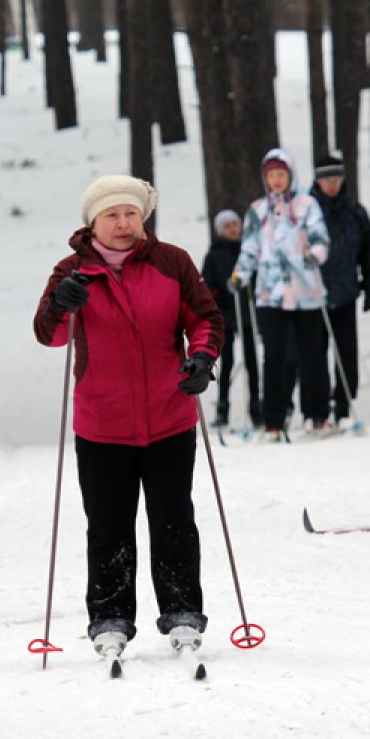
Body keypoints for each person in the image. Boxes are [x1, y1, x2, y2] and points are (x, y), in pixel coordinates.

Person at [33, 174, 223, 661]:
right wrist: (59, 304)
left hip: (169, 416)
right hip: (103, 423)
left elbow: (205, 318)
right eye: (112, 215)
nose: (123, 223)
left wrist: (202, 359)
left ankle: (183, 612)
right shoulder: (73, 271)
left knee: (174, 520)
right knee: (108, 525)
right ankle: (110, 618)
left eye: (131, 213)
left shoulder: (172, 262)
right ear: (92, 223)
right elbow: (49, 335)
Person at [231, 148, 332, 441]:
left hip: (305, 290)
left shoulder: (306, 204)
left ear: (290, 175)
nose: (276, 181)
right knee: (273, 356)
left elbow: (320, 237)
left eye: (281, 174)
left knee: (311, 354)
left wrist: (315, 254)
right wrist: (241, 273)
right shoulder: (257, 209)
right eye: (271, 175)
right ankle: (273, 421)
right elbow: (250, 247)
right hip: (270, 293)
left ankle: (317, 415)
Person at [309, 154, 370, 429]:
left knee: (346, 354)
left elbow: (369, 250)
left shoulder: (355, 211)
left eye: (336, 178)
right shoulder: (307, 210)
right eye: (327, 178)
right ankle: (318, 411)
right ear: (318, 180)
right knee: (315, 354)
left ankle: (343, 406)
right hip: (312, 296)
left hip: (346, 292)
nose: (332, 184)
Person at [200, 209, 261, 430]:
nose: (233, 229)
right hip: (225, 314)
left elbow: (256, 277)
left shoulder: (247, 251)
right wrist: (219, 296)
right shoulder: (214, 255)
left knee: (252, 362)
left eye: (235, 224)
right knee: (227, 362)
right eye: (228, 226)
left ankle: (256, 407)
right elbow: (206, 284)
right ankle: (223, 407)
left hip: (246, 313)